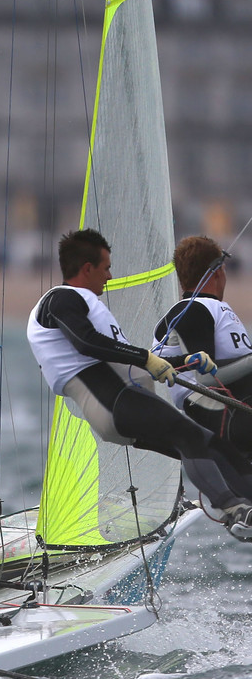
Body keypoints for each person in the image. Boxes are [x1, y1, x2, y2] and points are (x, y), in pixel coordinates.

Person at [27, 229, 252, 540]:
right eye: (106, 267)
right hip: (108, 400)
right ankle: (233, 508)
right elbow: (85, 342)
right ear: (87, 268)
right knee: (188, 435)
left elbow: (126, 358)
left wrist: (184, 362)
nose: (110, 275)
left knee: (210, 444)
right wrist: (146, 358)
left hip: (122, 396)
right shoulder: (61, 298)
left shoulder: (90, 306)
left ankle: (245, 510)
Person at [154, 235, 252, 454]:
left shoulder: (213, 309)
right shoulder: (192, 309)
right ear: (218, 272)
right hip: (221, 412)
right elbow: (206, 377)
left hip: (238, 404)